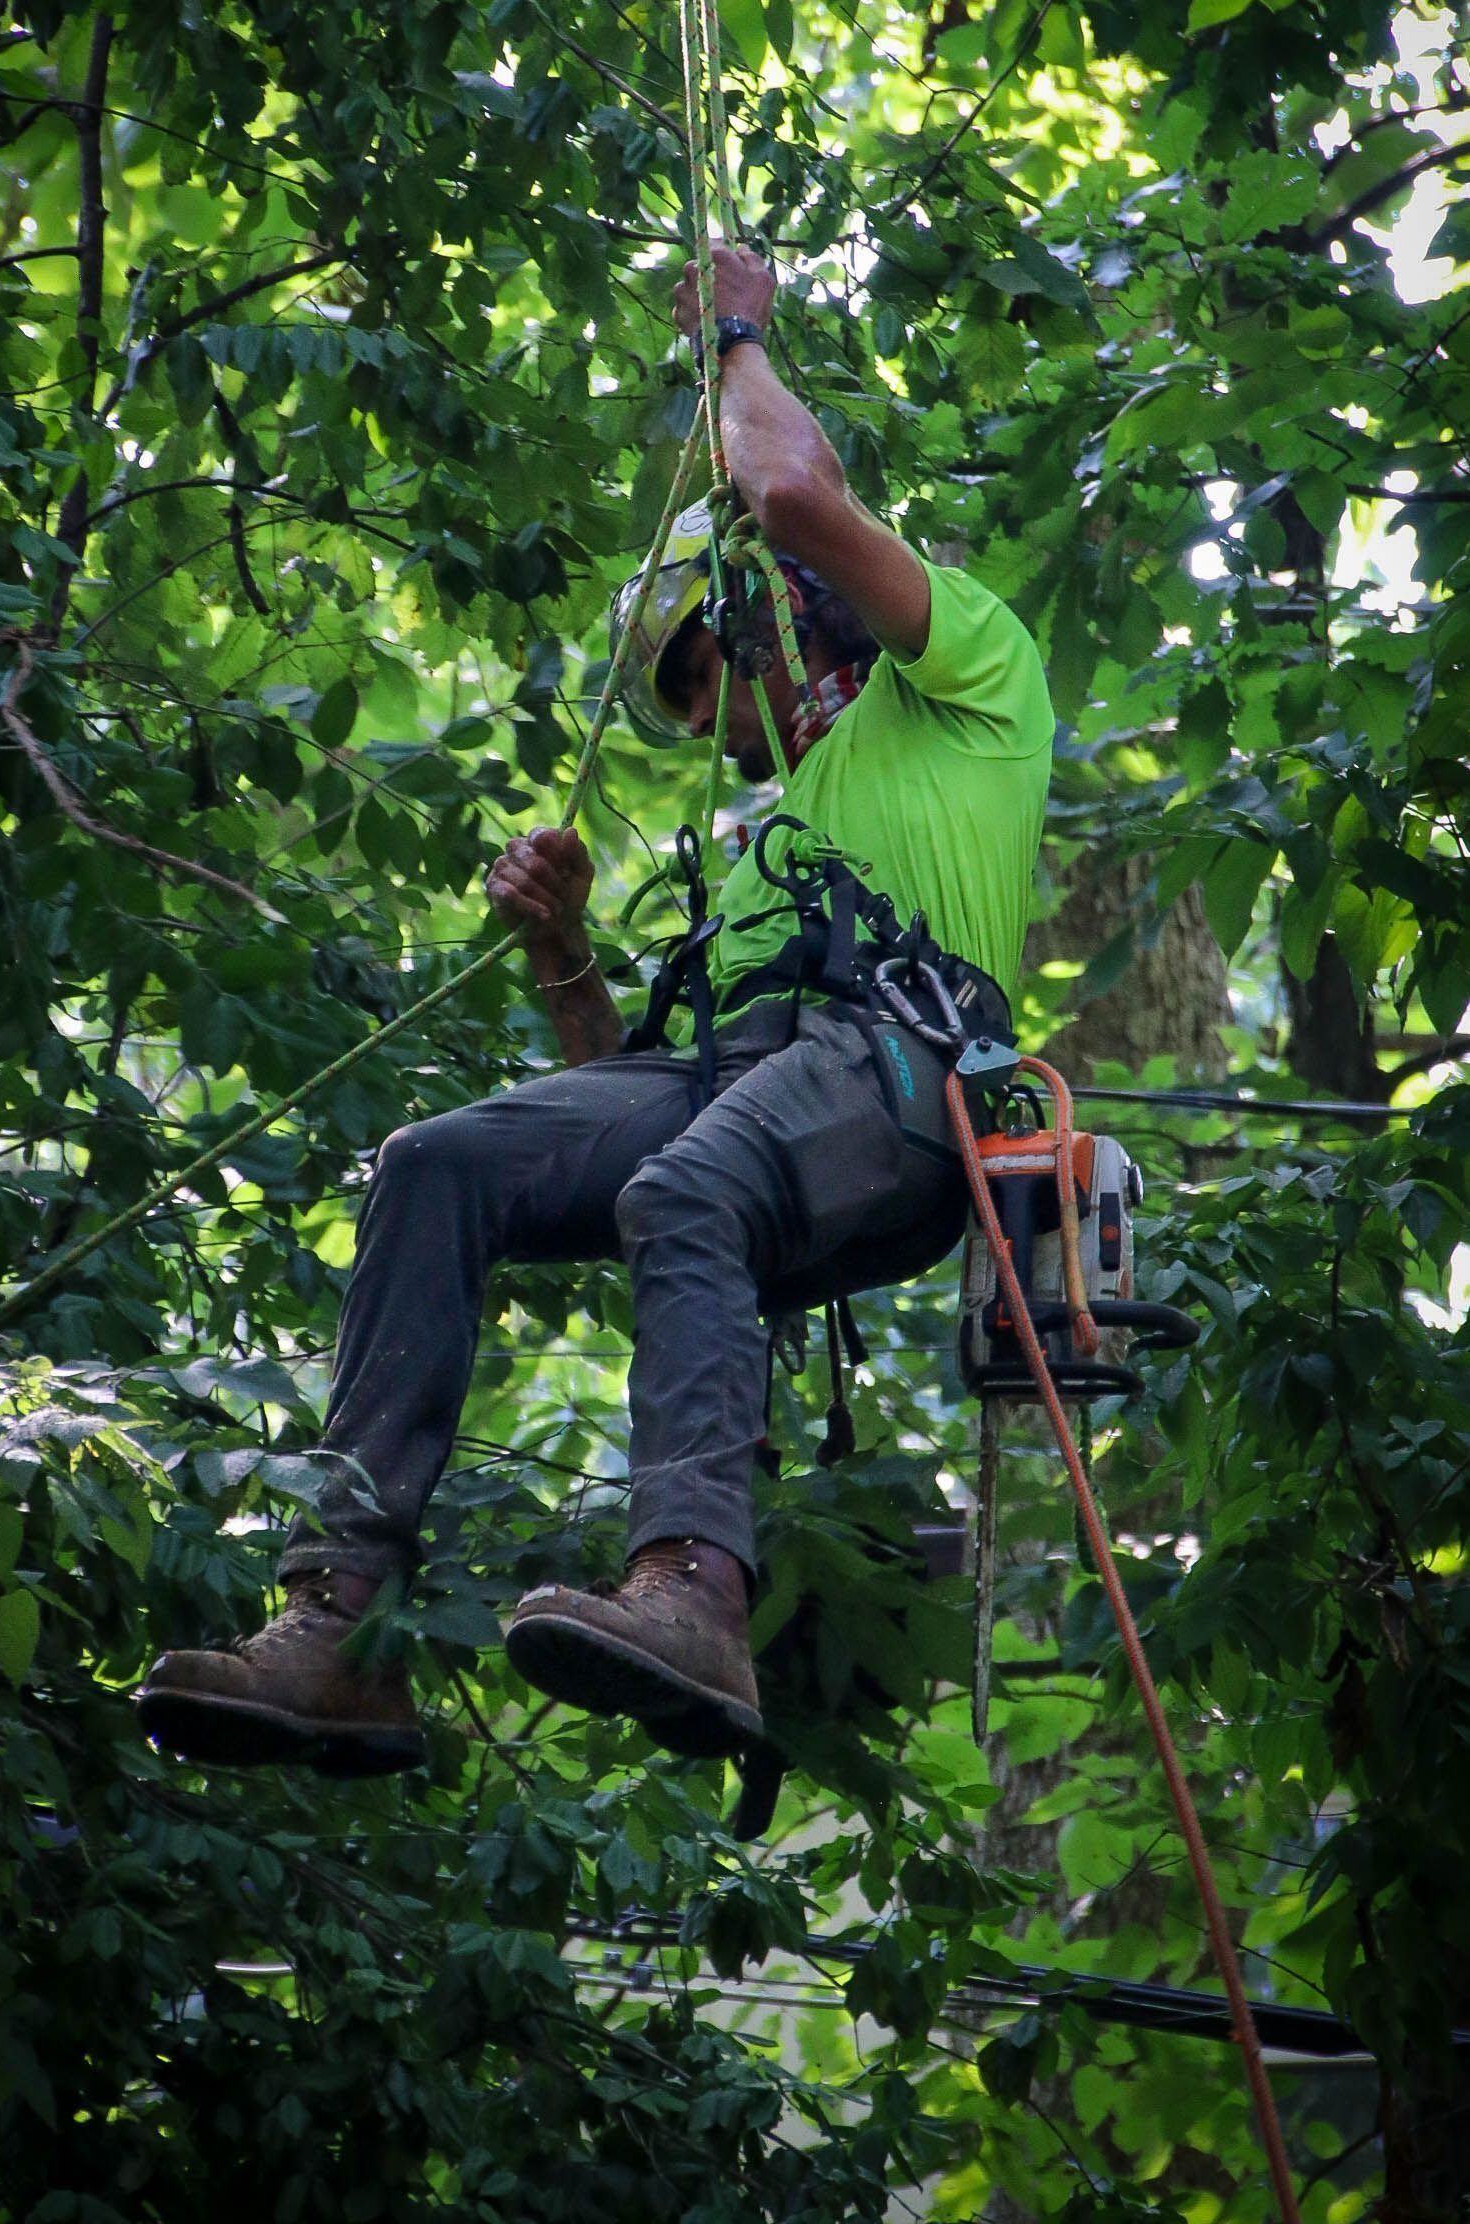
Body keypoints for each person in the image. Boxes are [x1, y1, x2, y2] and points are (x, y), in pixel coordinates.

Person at [138, 244, 1054, 1777]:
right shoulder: (766, 838)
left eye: (710, 689)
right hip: (767, 1092)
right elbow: (638, 1100)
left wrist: (738, 339)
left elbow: (792, 502)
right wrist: (564, 954)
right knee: (438, 1165)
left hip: (905, 1087)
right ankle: (338, 1628)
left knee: (692, 1185)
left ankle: (695, 1588)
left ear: (778, 617)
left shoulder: (967, 675)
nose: (713, 737)